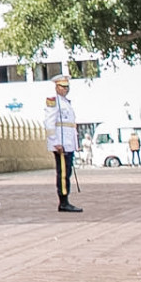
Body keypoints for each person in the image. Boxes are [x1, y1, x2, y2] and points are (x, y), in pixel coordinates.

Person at [46, 77, 82, 212]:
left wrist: (74, 143)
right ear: (56, 87)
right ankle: (63, 201)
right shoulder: (54, 101)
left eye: (67, 86)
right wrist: (55, 142)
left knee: (67, 172)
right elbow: (49, 122)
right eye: (62, 86)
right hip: (60, 142)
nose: (65, 89)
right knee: (63, 173)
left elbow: (70, 126)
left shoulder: (66, 103)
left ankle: (66, 199)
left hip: (68, 142)